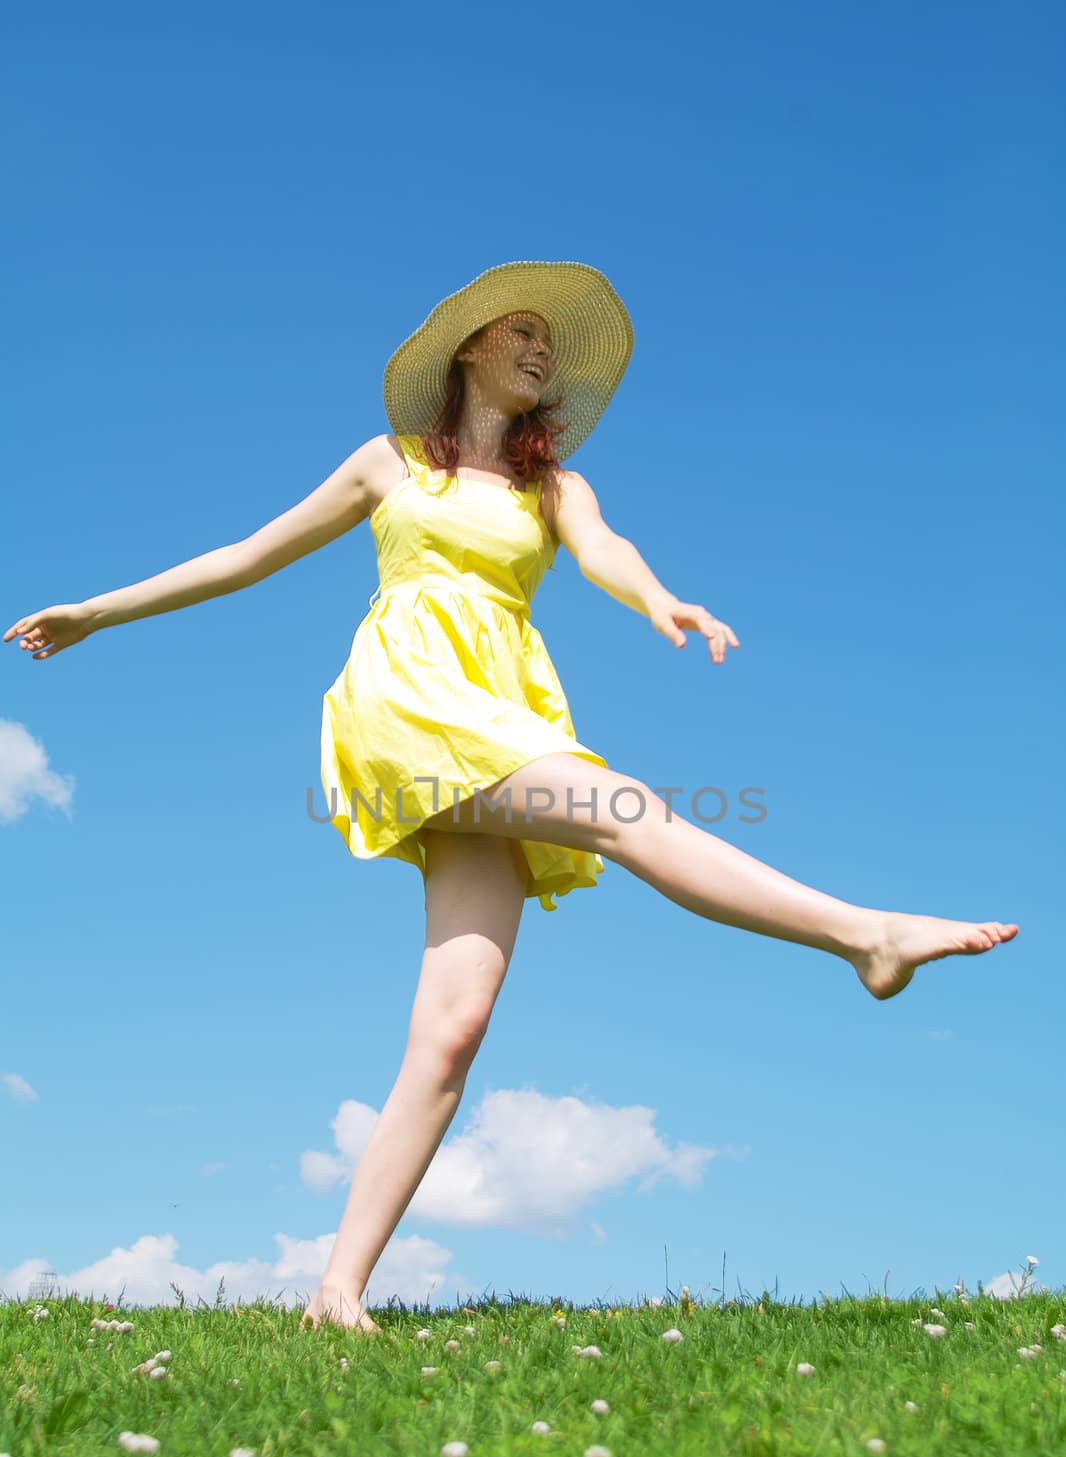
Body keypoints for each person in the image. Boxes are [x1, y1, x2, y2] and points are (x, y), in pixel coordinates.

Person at [3, 260, 1018, 1335]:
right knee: (628, 812)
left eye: (551, 343)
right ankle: (865, 932)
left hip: (500, 715)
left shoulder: (554, 487)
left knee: (454, 1027)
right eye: (525, 334)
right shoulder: (389, 466)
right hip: (410, 704)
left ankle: (333, 1290)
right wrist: (97, 612)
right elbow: (248, 555)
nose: (544, 353)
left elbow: (606, 554)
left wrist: (660, 599)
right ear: (470, 349)